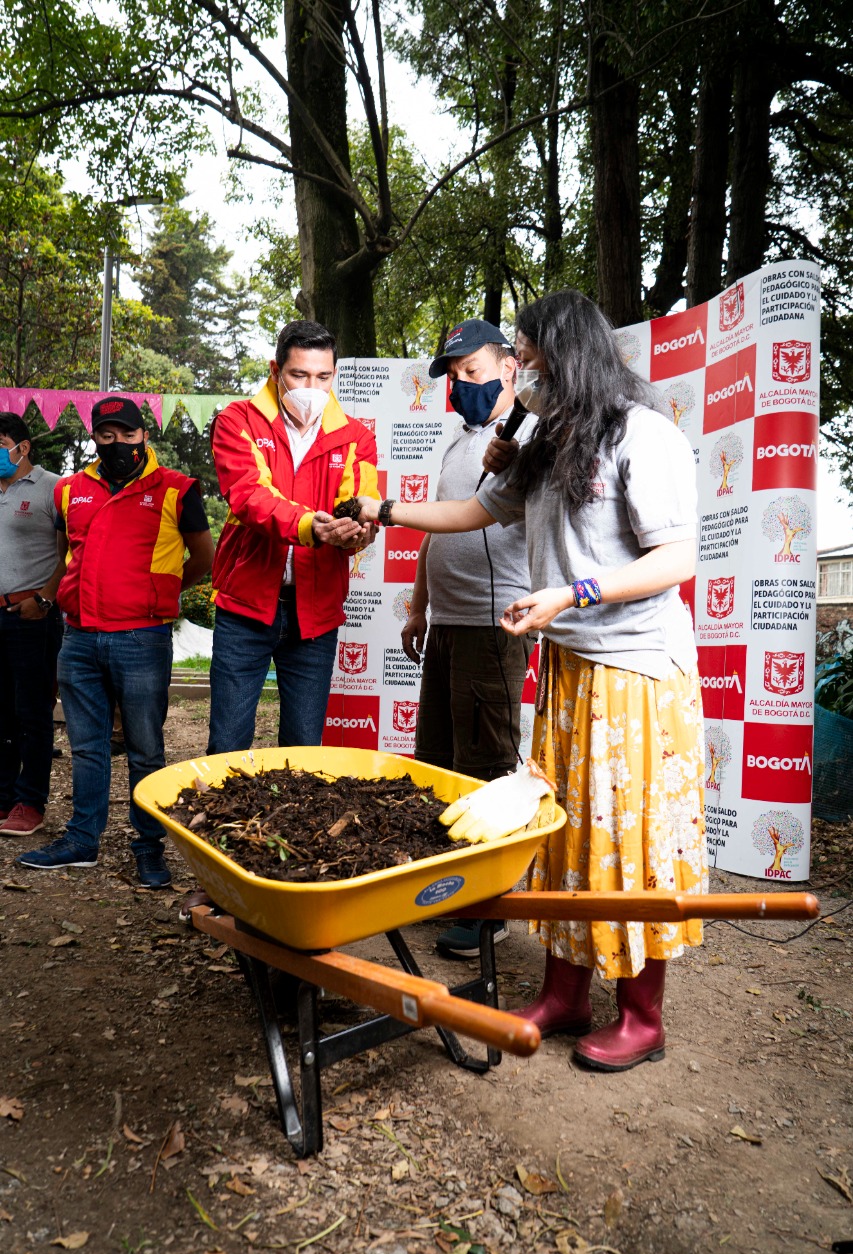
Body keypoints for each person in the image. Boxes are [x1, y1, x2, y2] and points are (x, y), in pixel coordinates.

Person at [355, 289, 707, 1072]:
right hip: (572, 668)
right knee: (564, 833)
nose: (525, 380)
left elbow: (674, 560)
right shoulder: (545, 442)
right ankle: (565, 994)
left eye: (536, 365)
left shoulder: (641, 435)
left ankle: (642, 1015)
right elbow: (474, 514)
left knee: (628, 840)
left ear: (569, 359)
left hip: (636, 673)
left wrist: (570, 594)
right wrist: (383, 509)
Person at [16, 396, 214, 888]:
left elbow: (205, 560)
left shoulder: (177, 489)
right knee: (86, 747)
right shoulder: (70, 490)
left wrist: (158, 593)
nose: (118, 443)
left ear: (144, 434)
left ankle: (148, 847)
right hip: (79, 638)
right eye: (107, 434)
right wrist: (55, 599)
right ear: (96, 437)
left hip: (141, 638)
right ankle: (82, 842)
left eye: (127, 433)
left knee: (146, 749)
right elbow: (68, 557)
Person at [404, 319, 535, 960]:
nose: (460, 384)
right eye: (453, 375)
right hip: (447, 624)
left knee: (486, 765)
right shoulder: (457, 445)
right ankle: (448, 889)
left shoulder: (531, 435)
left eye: (472, 370)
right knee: (437, 763)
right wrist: (416, 608)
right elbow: (437, 531)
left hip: (496, 623)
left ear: (511, 367)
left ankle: (490, 907)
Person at [206, 320, 379, 755]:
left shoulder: (356, 436)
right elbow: (249, 495)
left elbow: (361, 502)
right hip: (245, 605)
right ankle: (221, 826)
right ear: (275, 369)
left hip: (316, 611)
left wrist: (356, 532)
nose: (311, 386)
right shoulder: (237, 420)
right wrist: (310, 527)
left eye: (323, 376)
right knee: (227, 742)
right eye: (299, 375)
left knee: (303, 747)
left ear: (335, 374)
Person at [0, 414, 64, 837]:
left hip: (31, 615)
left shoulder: (54, 487)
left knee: (32, 712)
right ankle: (4, 797)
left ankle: (30, 801)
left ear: (22, 447)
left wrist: (43, 599)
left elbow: (71, 550)